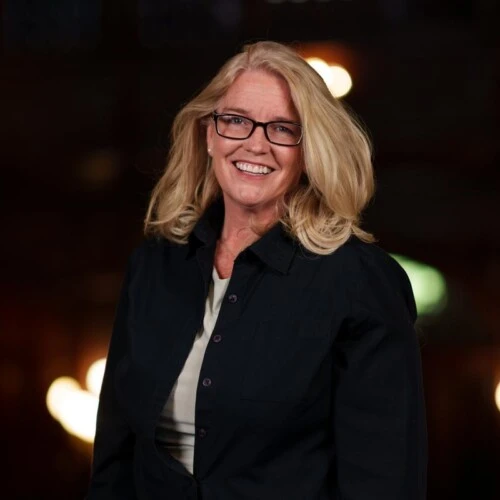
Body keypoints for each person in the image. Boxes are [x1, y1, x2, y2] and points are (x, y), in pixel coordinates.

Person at [87, 41, 427, 500]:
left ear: (309, 150)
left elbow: (385, 484)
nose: (256, 143)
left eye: (283, 128)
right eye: (236, 120)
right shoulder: (154, 265)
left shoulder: (361, 283)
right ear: (209, 134)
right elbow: (115, 456)